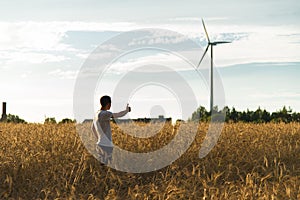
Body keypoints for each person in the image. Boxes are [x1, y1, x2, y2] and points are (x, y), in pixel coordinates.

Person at [91, 95, 130, 164]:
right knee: (107, 165)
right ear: (108, 104)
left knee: (102, 166)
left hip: (99, 144)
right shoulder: (105, 113)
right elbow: (118, 115)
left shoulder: (96, 114)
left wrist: (99, 139)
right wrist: (127, 111)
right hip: (106, 145)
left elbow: (93, 128)